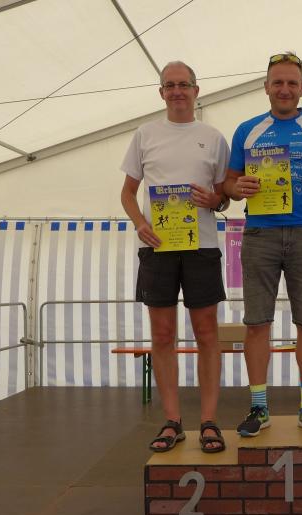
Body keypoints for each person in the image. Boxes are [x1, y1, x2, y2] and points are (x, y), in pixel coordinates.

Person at [222, 52, 302, 438]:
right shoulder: (247, 130)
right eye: (277, 82)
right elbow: (227, 184)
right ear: (266, 87)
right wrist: (238, 187)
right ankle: (259, 407)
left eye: (292, 83)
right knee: (256, 324)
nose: (285, 89)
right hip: (259, 234)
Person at [120, 61, 231, 452]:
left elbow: (224, 195)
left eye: (184, 84)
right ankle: (172, 421)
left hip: (202, 246)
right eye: (170, 85)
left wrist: (214, 200)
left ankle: (209, 421)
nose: (178, 91)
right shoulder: (145, 134)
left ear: (197, 90)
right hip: (158, 248)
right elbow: (127, 193)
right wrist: (140, 224)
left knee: (207, 335)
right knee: (163, 335)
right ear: (161, 92)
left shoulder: (213, 138)